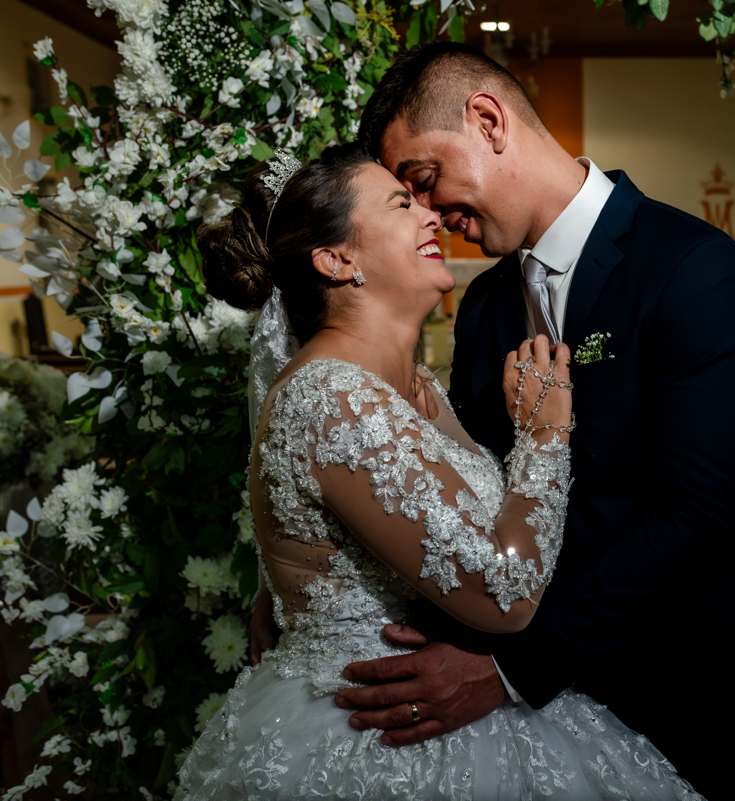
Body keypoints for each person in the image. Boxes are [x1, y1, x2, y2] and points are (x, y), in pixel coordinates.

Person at [328, 42, 735, 799]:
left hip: (689, 694)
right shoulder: (487, 305)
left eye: (424, 180)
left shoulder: (691, 265)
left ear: (488, 120)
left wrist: (509, 670)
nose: (428, 214)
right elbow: (479, 495)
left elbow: (697, 519)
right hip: (553, 724)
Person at [174, 143, 702, 800]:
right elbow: (504, 590)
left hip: (476, 700)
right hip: (377, 737)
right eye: (401, 203)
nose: (430, 215)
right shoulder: (331, 400)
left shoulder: (413, 384)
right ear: (336, 259)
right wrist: (543, 432)